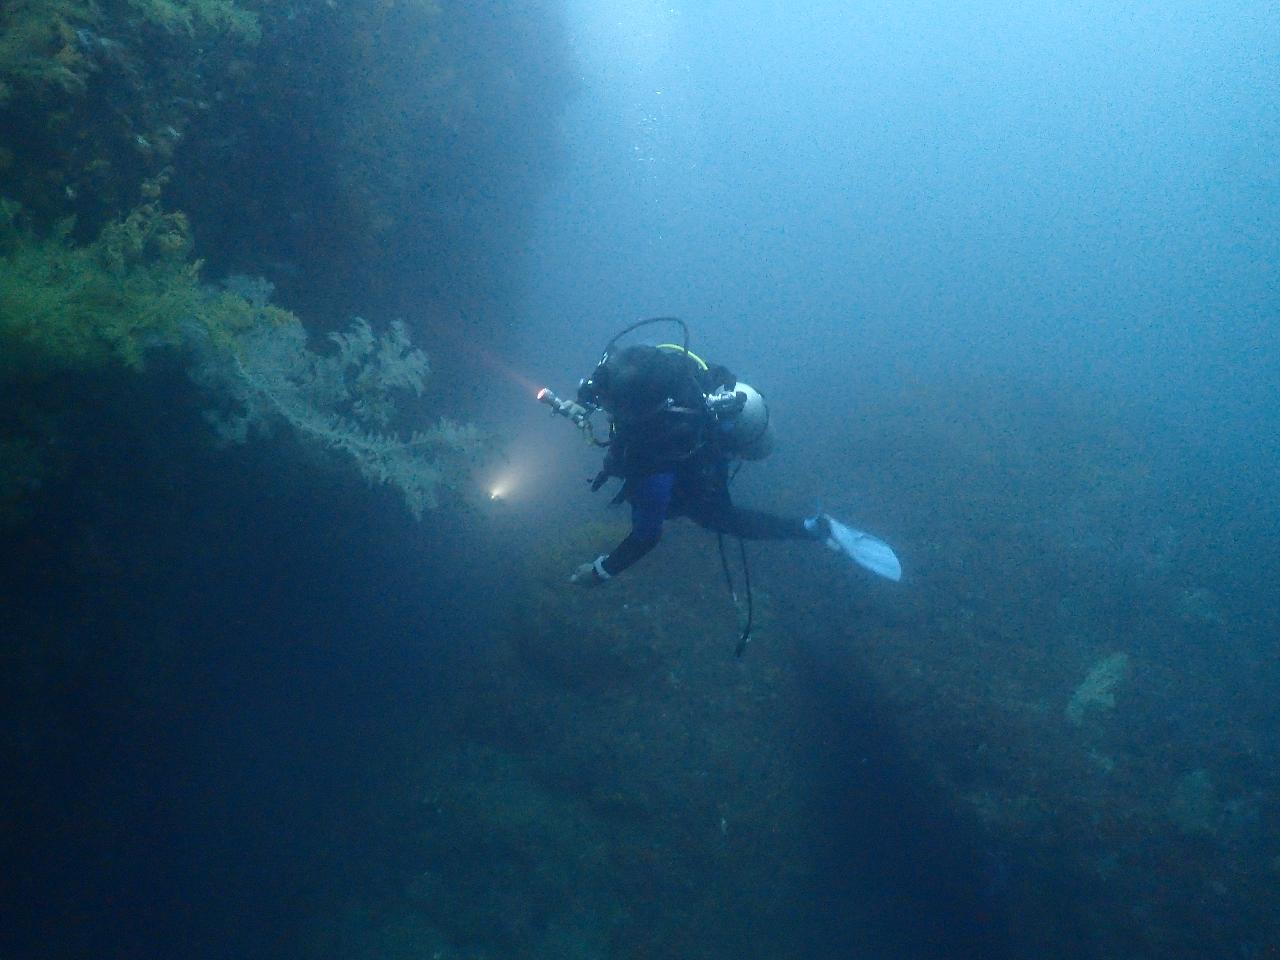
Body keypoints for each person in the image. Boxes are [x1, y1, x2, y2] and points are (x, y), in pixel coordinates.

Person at [546, 325, 900, 588]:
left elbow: (646, 537)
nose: (600, 403)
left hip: (697, 456)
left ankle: (814, 529)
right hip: (703, 427)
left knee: (720, 518)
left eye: (606, 402)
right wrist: (586, 399)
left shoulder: (656, 460)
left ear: (632, 408)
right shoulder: (643, 370)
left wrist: (602, 570)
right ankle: (814, 530)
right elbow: (605, 382)